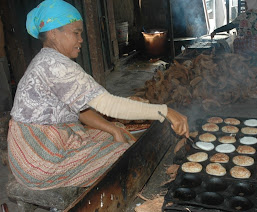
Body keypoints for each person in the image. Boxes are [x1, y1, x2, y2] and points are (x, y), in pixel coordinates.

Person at [7, 0, 189, 190]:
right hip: (40, 158)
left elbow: (81, 110)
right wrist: (165, 111)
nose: (81, 40)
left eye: (81, 34)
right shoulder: (56, 65)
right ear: (53, 33)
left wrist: (113, 129)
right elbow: (109, 105)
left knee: (118, 130)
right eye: (75, 33)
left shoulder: (47, 60)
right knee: (124, 155)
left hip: (39, 147)